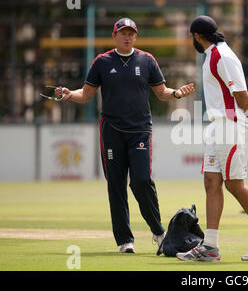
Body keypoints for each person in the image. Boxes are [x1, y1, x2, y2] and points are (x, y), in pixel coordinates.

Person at [55, 18, 195, 254]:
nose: (127, 37)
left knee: (141, 181)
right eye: (123, 33)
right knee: (116, 186)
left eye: (131, 33)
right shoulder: (102, 62)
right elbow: (86, 94)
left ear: (136, 37)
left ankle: (159, 232)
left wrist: (177, 94)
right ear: (115, 36)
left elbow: (162, 92)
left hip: (140, 130)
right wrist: (70, 94)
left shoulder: (147, 60)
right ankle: (125, 240)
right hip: (111, 131)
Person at [176, 15, 248, 262]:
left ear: (196, 36)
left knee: (235, 184)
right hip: (219, 126)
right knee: (211, 181)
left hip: (232, 126)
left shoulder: (220, 56)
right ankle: (210, 247)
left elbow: (241, 93)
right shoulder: (213, 54)